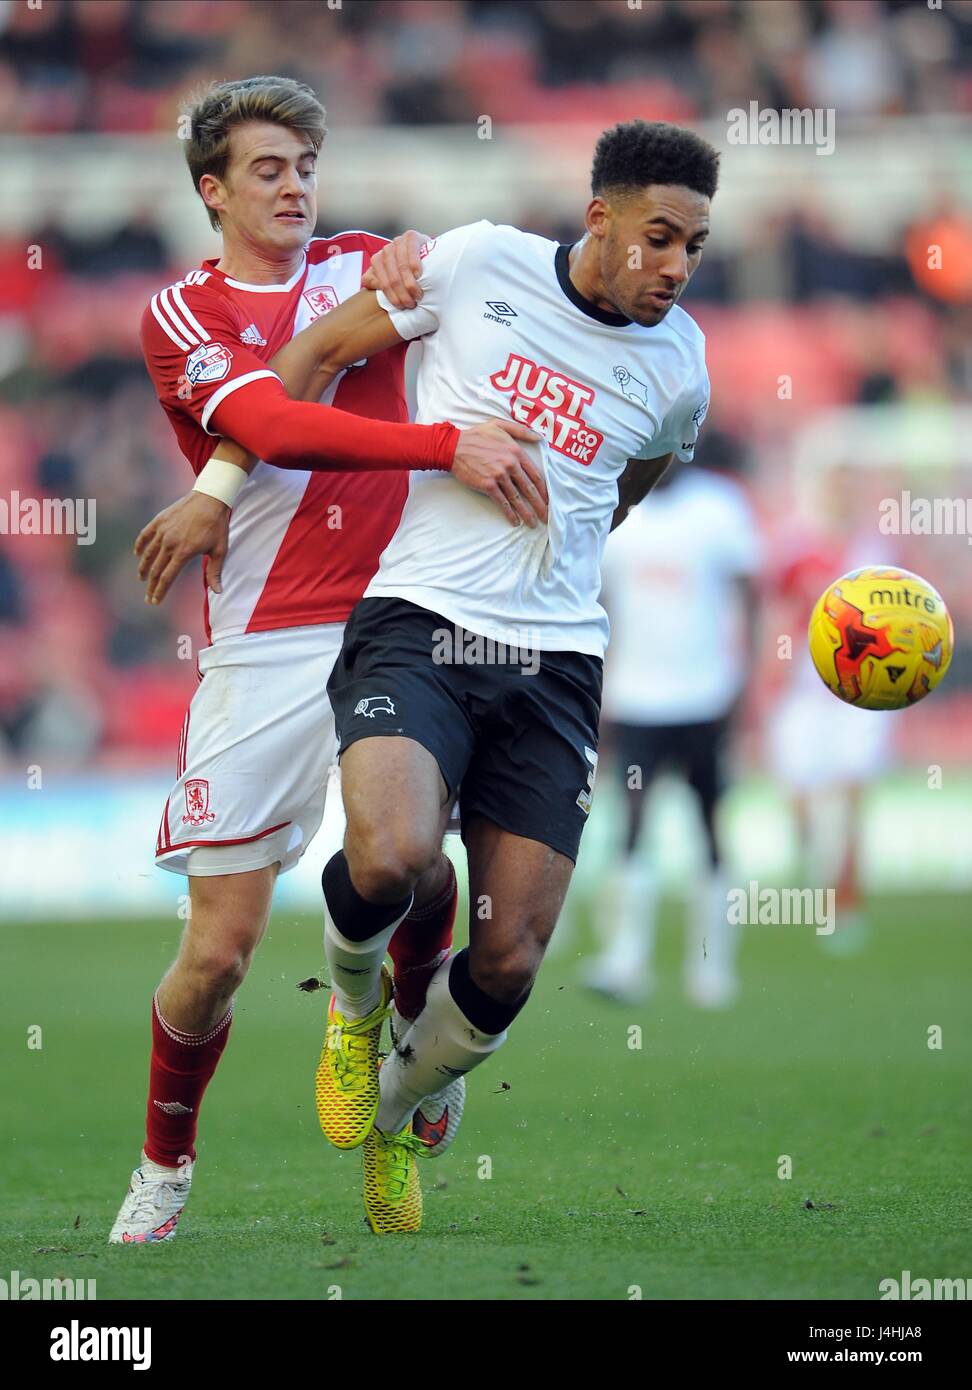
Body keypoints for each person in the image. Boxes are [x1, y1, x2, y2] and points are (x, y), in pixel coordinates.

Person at [188, 118, 718, 1232]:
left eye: (695, 249)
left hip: (558, 661)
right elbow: (310, 359)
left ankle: (397, 1106)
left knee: (512, 955)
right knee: (392, 856)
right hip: (418, 621)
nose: (674, 267)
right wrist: (223, 486)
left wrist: (572, 536)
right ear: (600, 220)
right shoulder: (479, 263)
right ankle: (348, 1009)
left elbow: (650, 464)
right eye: (658, 238)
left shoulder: (683, 362)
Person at [109, 74, 544, 1245]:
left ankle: (403, 1093)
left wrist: (419, 254)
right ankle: (165, 1167)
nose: (295, 185)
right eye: (266, 168)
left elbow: (498, 290)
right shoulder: (180, 314)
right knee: (218, 951)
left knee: (414, 864)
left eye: (306, 165)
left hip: (400, 612)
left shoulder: (372, 264)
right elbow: (280, 419)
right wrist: (442, 444)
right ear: (212, 190)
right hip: (262, 639)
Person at [583, 458, 763, 1009]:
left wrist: (745, 676)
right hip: (636, 698)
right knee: (633, 825)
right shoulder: (615, 507)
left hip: (706, 695)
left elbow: (749, 595)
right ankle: (625, 960)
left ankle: (712, 969)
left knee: (709, 826)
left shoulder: (719, 506)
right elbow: (599, 600)